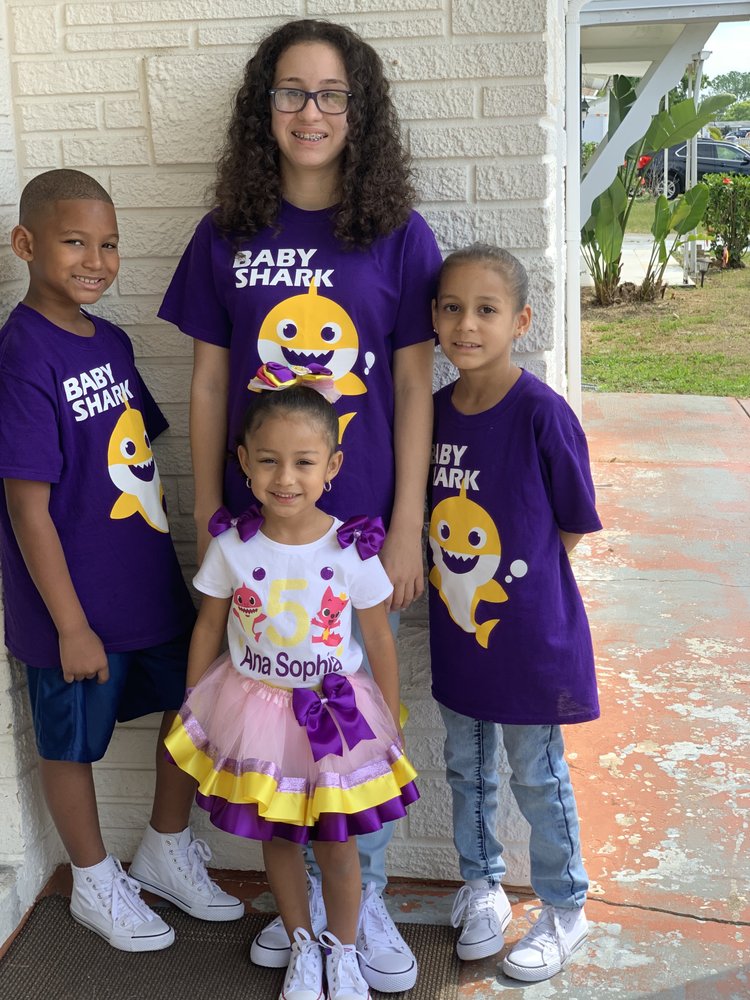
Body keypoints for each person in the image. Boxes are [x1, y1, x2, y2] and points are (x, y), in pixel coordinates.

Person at [158, 17, 440, 992]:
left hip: (356, 531)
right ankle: (304, 915)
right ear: (263, 106)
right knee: (275, 726)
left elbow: (414, 387)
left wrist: (406, 524)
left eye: (330, 94)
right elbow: (208, 382)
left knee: (358, 732)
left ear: (359, 110)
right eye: (290, 92)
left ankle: (361, 909)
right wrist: (209, 505)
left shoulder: (398, 233)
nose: (309, 111)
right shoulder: (224, 232)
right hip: (261, 530)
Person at [0, 169, 244, 953]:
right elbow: (27, 506)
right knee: (70, 740)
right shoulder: (21, 355)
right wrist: (71, 626)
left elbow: (137, 451)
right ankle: (93, 878)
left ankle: (165, 847)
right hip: (73, 607)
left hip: (146, 585)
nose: (96, 261)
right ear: (26, 244)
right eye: (75, 242)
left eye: (109, 245)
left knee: (190, 702)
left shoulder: (111, 342)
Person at [164, 369, 418, 1000]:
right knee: (277, 836)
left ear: (332, 466)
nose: (286, 478)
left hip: (335, 717)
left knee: (337, 843)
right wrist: (194, 706)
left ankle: (344, 952)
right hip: (255, 712)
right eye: (269, 460)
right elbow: (209, 627)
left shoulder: (352, 548)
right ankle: (303, 944)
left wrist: (389, 720)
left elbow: (378, 639)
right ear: (244, 462)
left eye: (304, 462)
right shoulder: (231, 547)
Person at [427, 244, 602, 983]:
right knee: (466, 769)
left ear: (521, 322)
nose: (467, 324)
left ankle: (565, 907)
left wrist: (518, 587)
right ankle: (483, 886)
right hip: (459, 635)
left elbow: (570, 524)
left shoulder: (542, 414)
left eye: (486, 310)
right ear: (434, 317)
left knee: (536, 773)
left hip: (528, 638)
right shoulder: (432, 414)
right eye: (452, 308)